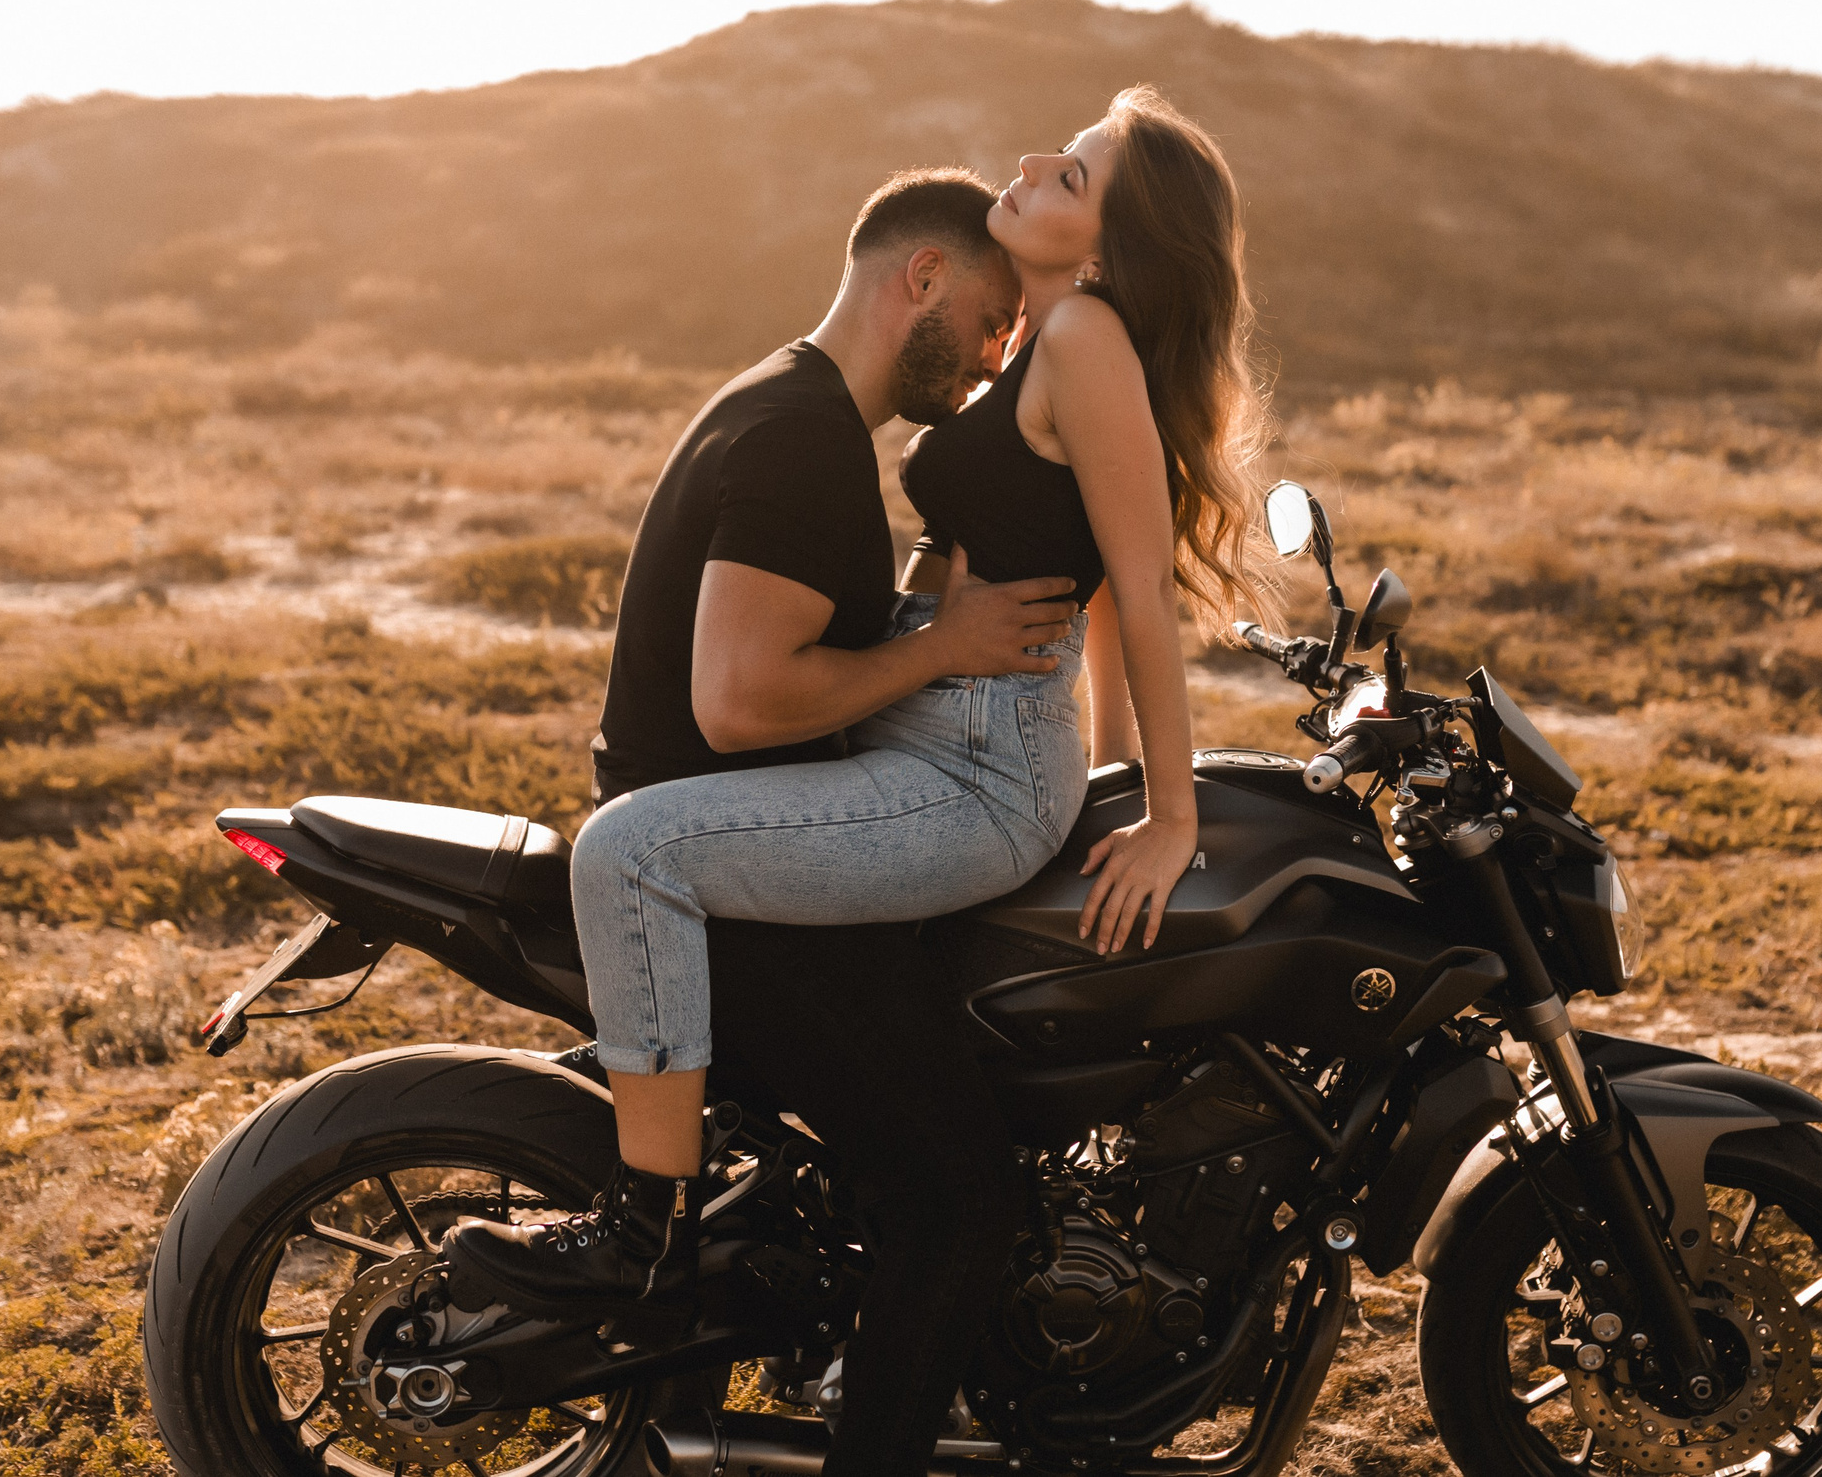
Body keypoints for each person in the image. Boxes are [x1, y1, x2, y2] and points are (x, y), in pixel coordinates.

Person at [447, 88, 1269, 1463]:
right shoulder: (1042, 346)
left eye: (1072, 173)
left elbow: (1136, 586)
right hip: (937, 735)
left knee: (629, 849)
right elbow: (1077, 577)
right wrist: (1108, 764)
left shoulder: (1083, 338)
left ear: (1115, 242)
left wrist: (1164, 811)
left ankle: (644, 1236)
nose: (1032, 162)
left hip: (978, 769)